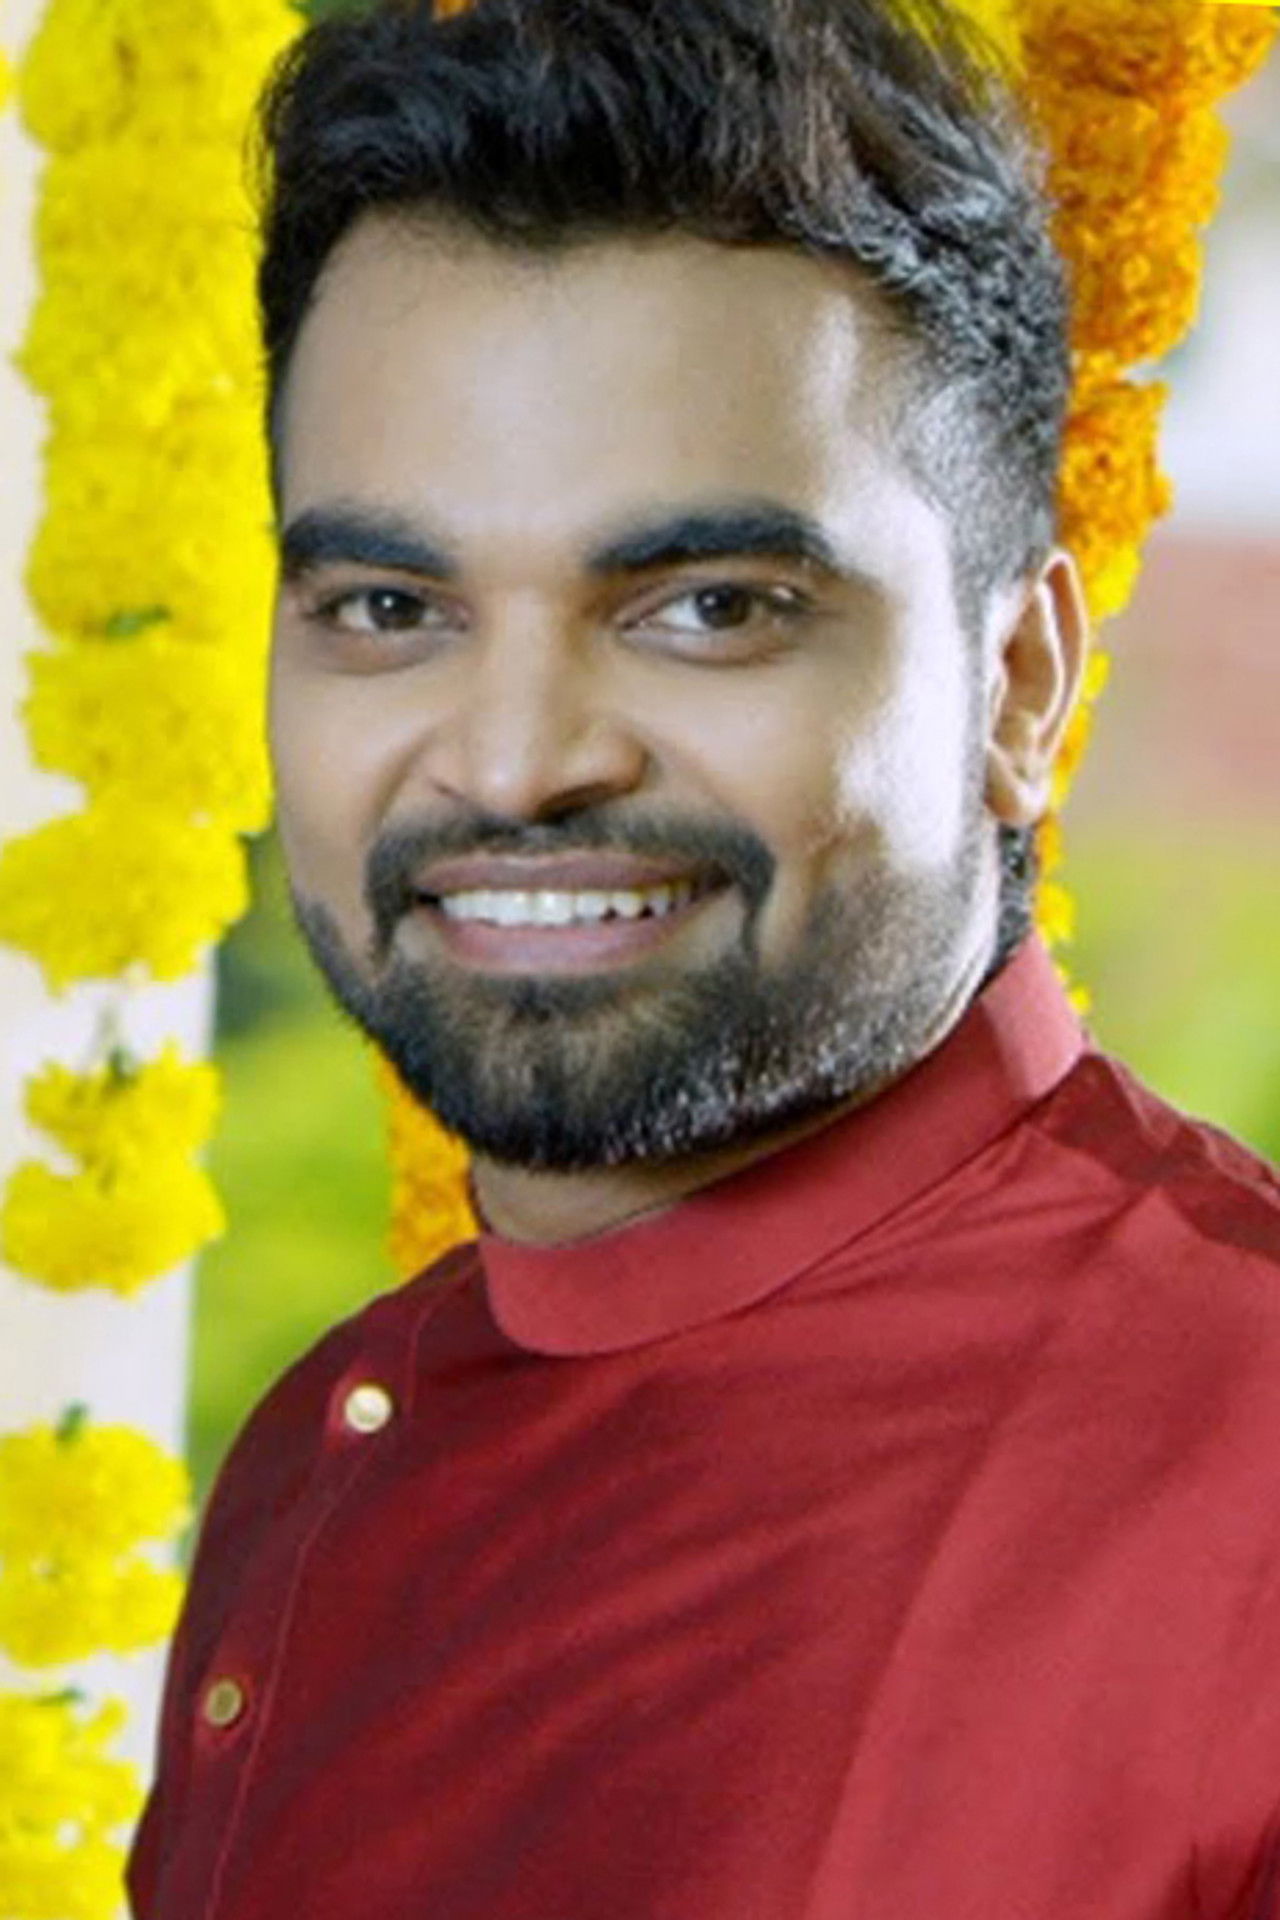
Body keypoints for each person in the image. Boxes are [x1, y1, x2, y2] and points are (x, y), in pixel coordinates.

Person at [128, 0, 1280, 1913]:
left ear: (1019, 683)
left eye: (708, 607)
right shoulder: (311, 1474)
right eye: (391, 607)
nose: (515, 761)